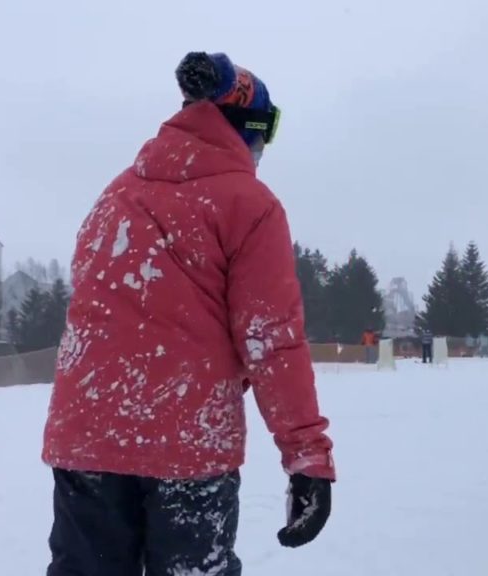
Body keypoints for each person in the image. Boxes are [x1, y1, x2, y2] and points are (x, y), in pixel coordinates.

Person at [42, 52, 335, 576]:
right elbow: (271, 341)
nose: (265, 147)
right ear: (246, 127)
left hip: (86, 439)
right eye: (267, 131)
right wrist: (306, 456)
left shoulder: (114, 196)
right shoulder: (249, 204)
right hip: (187, 445)